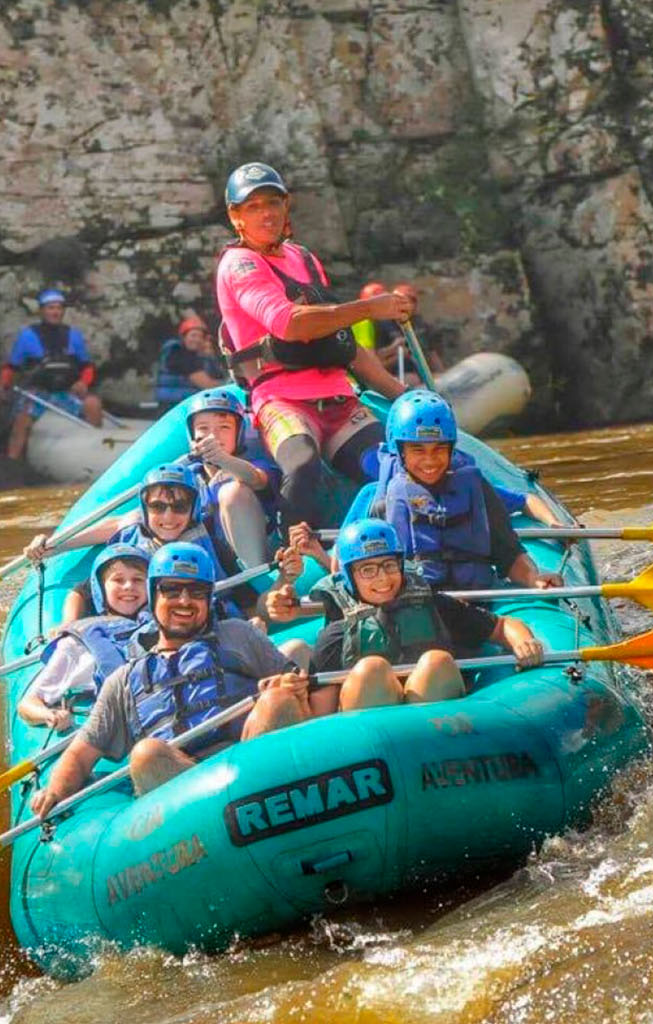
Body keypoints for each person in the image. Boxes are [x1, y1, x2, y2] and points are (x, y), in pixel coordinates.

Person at [28, 543, 317, 810]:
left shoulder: (238, 635)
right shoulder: (124, 680)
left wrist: (291, 689)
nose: (184, 601)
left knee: (279, 700)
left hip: (253, 763)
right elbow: (79, 755)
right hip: (184, 800)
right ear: (154, 597)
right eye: (171, 590)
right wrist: (54, 792)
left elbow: (305, 699)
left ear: (209, 598)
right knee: (146, 755)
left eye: (197, 592)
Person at [215, 161, 412, 530]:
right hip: (281, 400)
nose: (267, 214)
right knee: (302, 463)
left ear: (285, 206)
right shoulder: (238, 264)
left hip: (338, 398)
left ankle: (387, 550)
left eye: (273, 203)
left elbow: (345, 345)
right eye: (253, 207)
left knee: (388, 464)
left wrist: (405, 396)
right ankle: (295, 561)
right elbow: (289, 324)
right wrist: (369, 308)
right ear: (235, 216)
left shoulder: (303, 258)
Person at [265, 518, 544, 709]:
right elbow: (321, 715)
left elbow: (502, 626)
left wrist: (523, 642)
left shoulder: (433, 605)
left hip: (435, 721)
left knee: (436, 663)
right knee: (371, 670)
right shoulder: (336, 635)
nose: (383, 579)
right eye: (368, 570)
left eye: (389, 565)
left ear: (401, 565)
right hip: (367, 734)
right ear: (349, 577)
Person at [23, 461, 301, 625]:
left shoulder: (213, 548)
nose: (168, 517)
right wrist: (67, 629)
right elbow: (82, 593)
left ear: (194, 508)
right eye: (157, 507)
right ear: (145, 509)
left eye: (180, 506)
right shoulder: (130, 544)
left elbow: (247, 603)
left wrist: (272, 600)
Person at [363, 390, 563, 589]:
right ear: (401, 452)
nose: (430, 460)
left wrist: (533, 579)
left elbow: (509, 553)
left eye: (439, 449)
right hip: (417, 603)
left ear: (451, 449)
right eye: (418, 450)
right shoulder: (380, 500)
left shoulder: (475, 487)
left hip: (475, 596)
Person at [17, 544, 150, 730]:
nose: (128, 586)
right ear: (100, 589)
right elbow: (27, 705)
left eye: (138, 579)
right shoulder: (75, 644)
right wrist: (49, 715)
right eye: (118, 580)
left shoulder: (163, 629)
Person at [0, 288, 105, 458]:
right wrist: (3, 386)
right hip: (38, 393)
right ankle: (13, 460)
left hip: (65, 392)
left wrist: (84, 383)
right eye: (50, 308)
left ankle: (94, 452)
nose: (55, 312)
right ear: (42, 310)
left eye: (58, 308)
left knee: (93, 404)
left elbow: (87, 367)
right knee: (22, 421)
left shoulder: (73, 335)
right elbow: (11, 367)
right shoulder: (27, 336)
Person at [185, 390, 281, 568]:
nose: (213, 436)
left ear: (239, 434)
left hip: (258, 567)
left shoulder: (258, 465)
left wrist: (222, 459)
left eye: (224, 427)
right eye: (203, 428)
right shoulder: (189, 476)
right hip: (211, 570)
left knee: (233, 492)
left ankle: (257, 579)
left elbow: (256, 479)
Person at [154, 315, 225, 407]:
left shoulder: (195, 356)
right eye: (193, 335)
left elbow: (218, 376)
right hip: (173, 405)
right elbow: (207, 384)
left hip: (183, 403)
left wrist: (209, 357)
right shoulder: (177, 353)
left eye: (201, 337)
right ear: (184, 337)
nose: (197, 340)